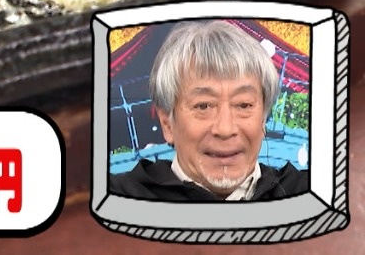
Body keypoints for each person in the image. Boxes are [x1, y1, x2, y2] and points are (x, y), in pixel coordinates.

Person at [108, 20, 310, 202]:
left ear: (263, 119)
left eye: (243, 105)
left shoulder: (305, 193)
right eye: (203, 106)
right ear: (167, 124)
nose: (225, 129)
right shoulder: (121, 197)